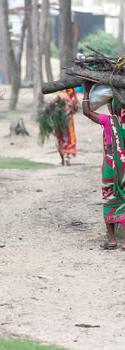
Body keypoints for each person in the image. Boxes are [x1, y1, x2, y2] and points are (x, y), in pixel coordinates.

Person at [82, 80, 125, 250]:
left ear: (111, 108)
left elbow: (87, 111)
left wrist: (86, 91)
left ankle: (113, 240)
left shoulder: (109, 121)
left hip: (110, 167)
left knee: (109, 199)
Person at [54, 89, 78, 165]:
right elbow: (75, 106)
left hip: (59, 118)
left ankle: (63, 160)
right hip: (68, 119)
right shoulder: (71, 92)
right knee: (68, 138)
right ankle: (66, 157)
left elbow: (54, 104)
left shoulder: (60, 92)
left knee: (60, 138)